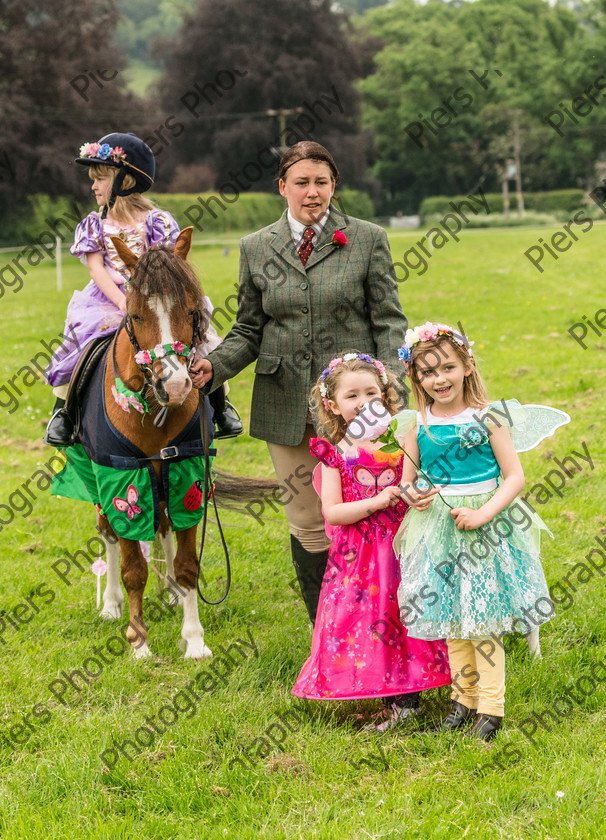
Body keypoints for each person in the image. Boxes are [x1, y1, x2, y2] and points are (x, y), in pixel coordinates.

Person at [190, 141, 408, 624]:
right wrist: (214, 366)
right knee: (311, 523)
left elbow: (389, 321)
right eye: (303, 182)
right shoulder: (255, 247)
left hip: (358, 410)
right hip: (284, 404)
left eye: (322, 182)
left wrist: (392, 391)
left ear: (334, 186)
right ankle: (327, 632)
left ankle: (387, 623)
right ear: (282, 187)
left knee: (374, 514)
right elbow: (249, 328)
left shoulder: (368, 239)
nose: (313, 193)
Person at [393, 322, 564, 740]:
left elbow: (514, 477)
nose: (440, 379)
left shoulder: (490, 417)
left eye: (447, 367)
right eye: (428, 372)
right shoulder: (416, 423)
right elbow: (408, 478)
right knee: (452, 616)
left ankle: (491, 708)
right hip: (437, 528)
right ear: (416, 378)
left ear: (467, 365)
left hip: (486, 527)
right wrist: (413, 495)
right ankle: (462, 700)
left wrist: (484, 513)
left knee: (483, 619)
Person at [44, 131, 242, 446]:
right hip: (109, 298)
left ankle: (221, 404)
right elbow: (96, 268)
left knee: (203, 332)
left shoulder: (157, 220)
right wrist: (122, 301)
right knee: (79, 343)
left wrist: (152, 298)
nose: (93, 186)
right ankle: (63, 412)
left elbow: (167, 266)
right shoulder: (93, 225)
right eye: (93, 179)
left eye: (101, 178)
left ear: (124, 181)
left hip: (156, 297)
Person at [291, 353, 450, 728]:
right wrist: (377, 500)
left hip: (400, 548)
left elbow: (413, 483)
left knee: (403, 617)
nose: (364, 402)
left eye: (372, 393)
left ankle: (408, 702)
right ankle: (384, 692)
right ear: (332, 406)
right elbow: (332, 512)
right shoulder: (336, 454)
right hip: (358, 558)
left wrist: (414, 493)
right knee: (368, 622)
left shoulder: (403, 438)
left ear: (386, 395)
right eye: (352, 396)